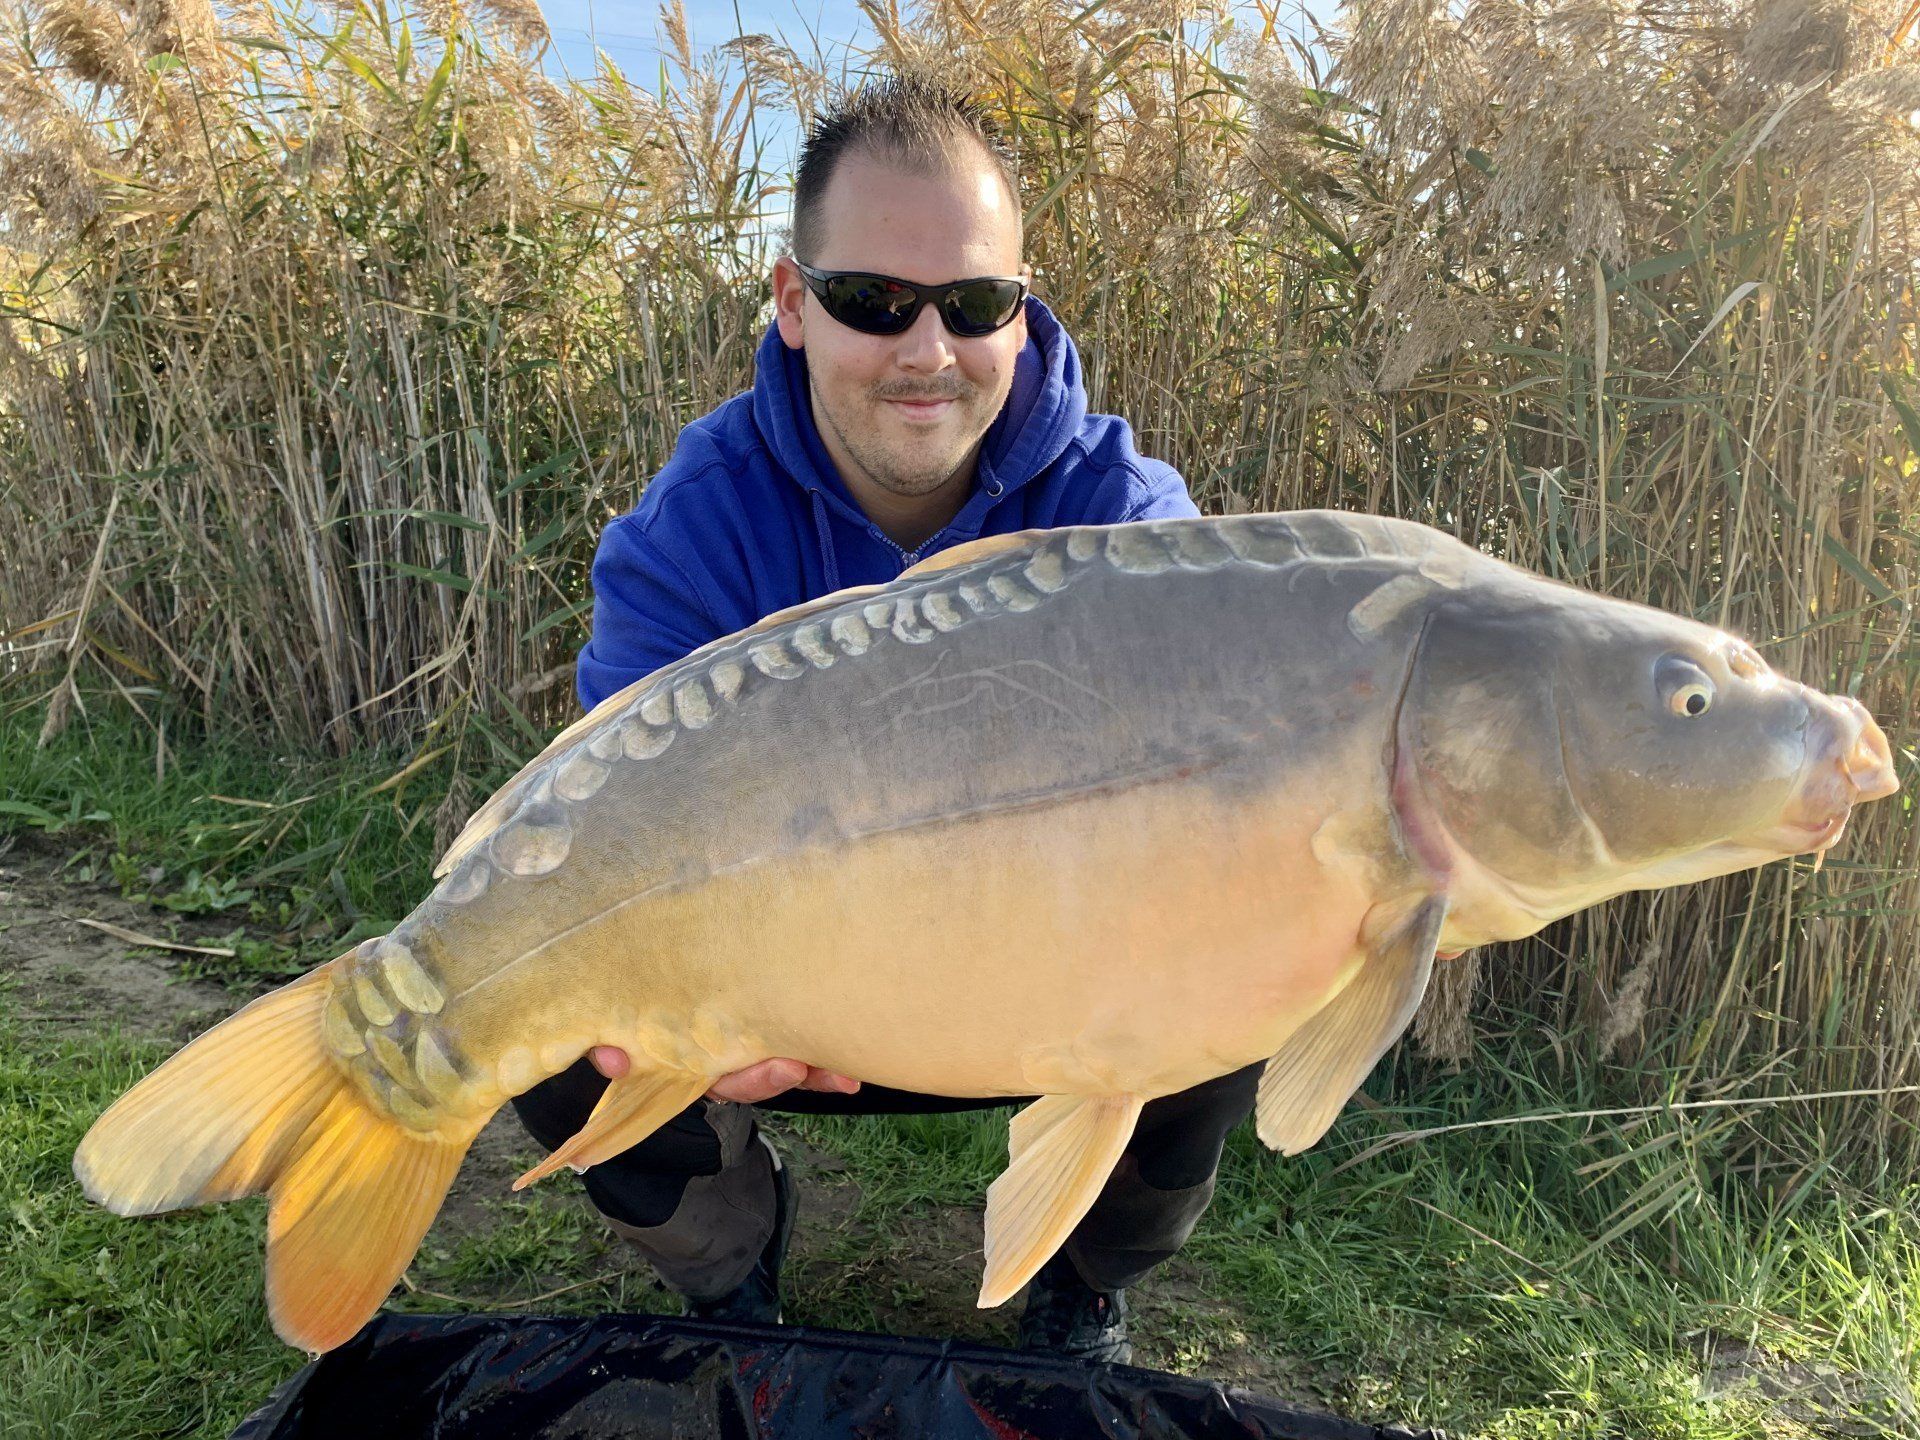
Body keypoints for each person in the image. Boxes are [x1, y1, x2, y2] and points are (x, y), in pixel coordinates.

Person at [510, 75, 1260, 1365]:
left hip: (1043, 985)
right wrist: (684, 1014)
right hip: (786, 1001)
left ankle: (1081, 1280)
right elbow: (614, 832)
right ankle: (728, 1259)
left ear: (1021, 319)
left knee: (1231, 992)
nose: (928, 352)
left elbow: (1222, 803)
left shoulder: (1131, 525)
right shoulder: (693, 531)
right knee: (551, 1020)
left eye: (974, 307)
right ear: (795, 305)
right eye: (874, 302)